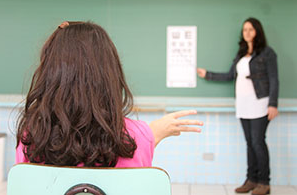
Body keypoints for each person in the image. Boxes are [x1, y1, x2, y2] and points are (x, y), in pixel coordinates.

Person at [16, 21, 203, 168]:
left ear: (50, 75)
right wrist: (150, 134)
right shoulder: (136, 137)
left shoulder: (31, 136)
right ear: (109, 75)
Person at [197, 17, 278, 195]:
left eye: (250, 29)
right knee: (250, 143)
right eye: (244, 30)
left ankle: (264, 183)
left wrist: (273, 104)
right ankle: (251, 180)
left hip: (260, 103)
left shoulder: (267, 52)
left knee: (258, 142)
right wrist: (207, 74)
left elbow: (273, 79)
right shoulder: (241, 53)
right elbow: (229, 75)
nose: (247, 32)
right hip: (243, 105)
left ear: (258, 31)